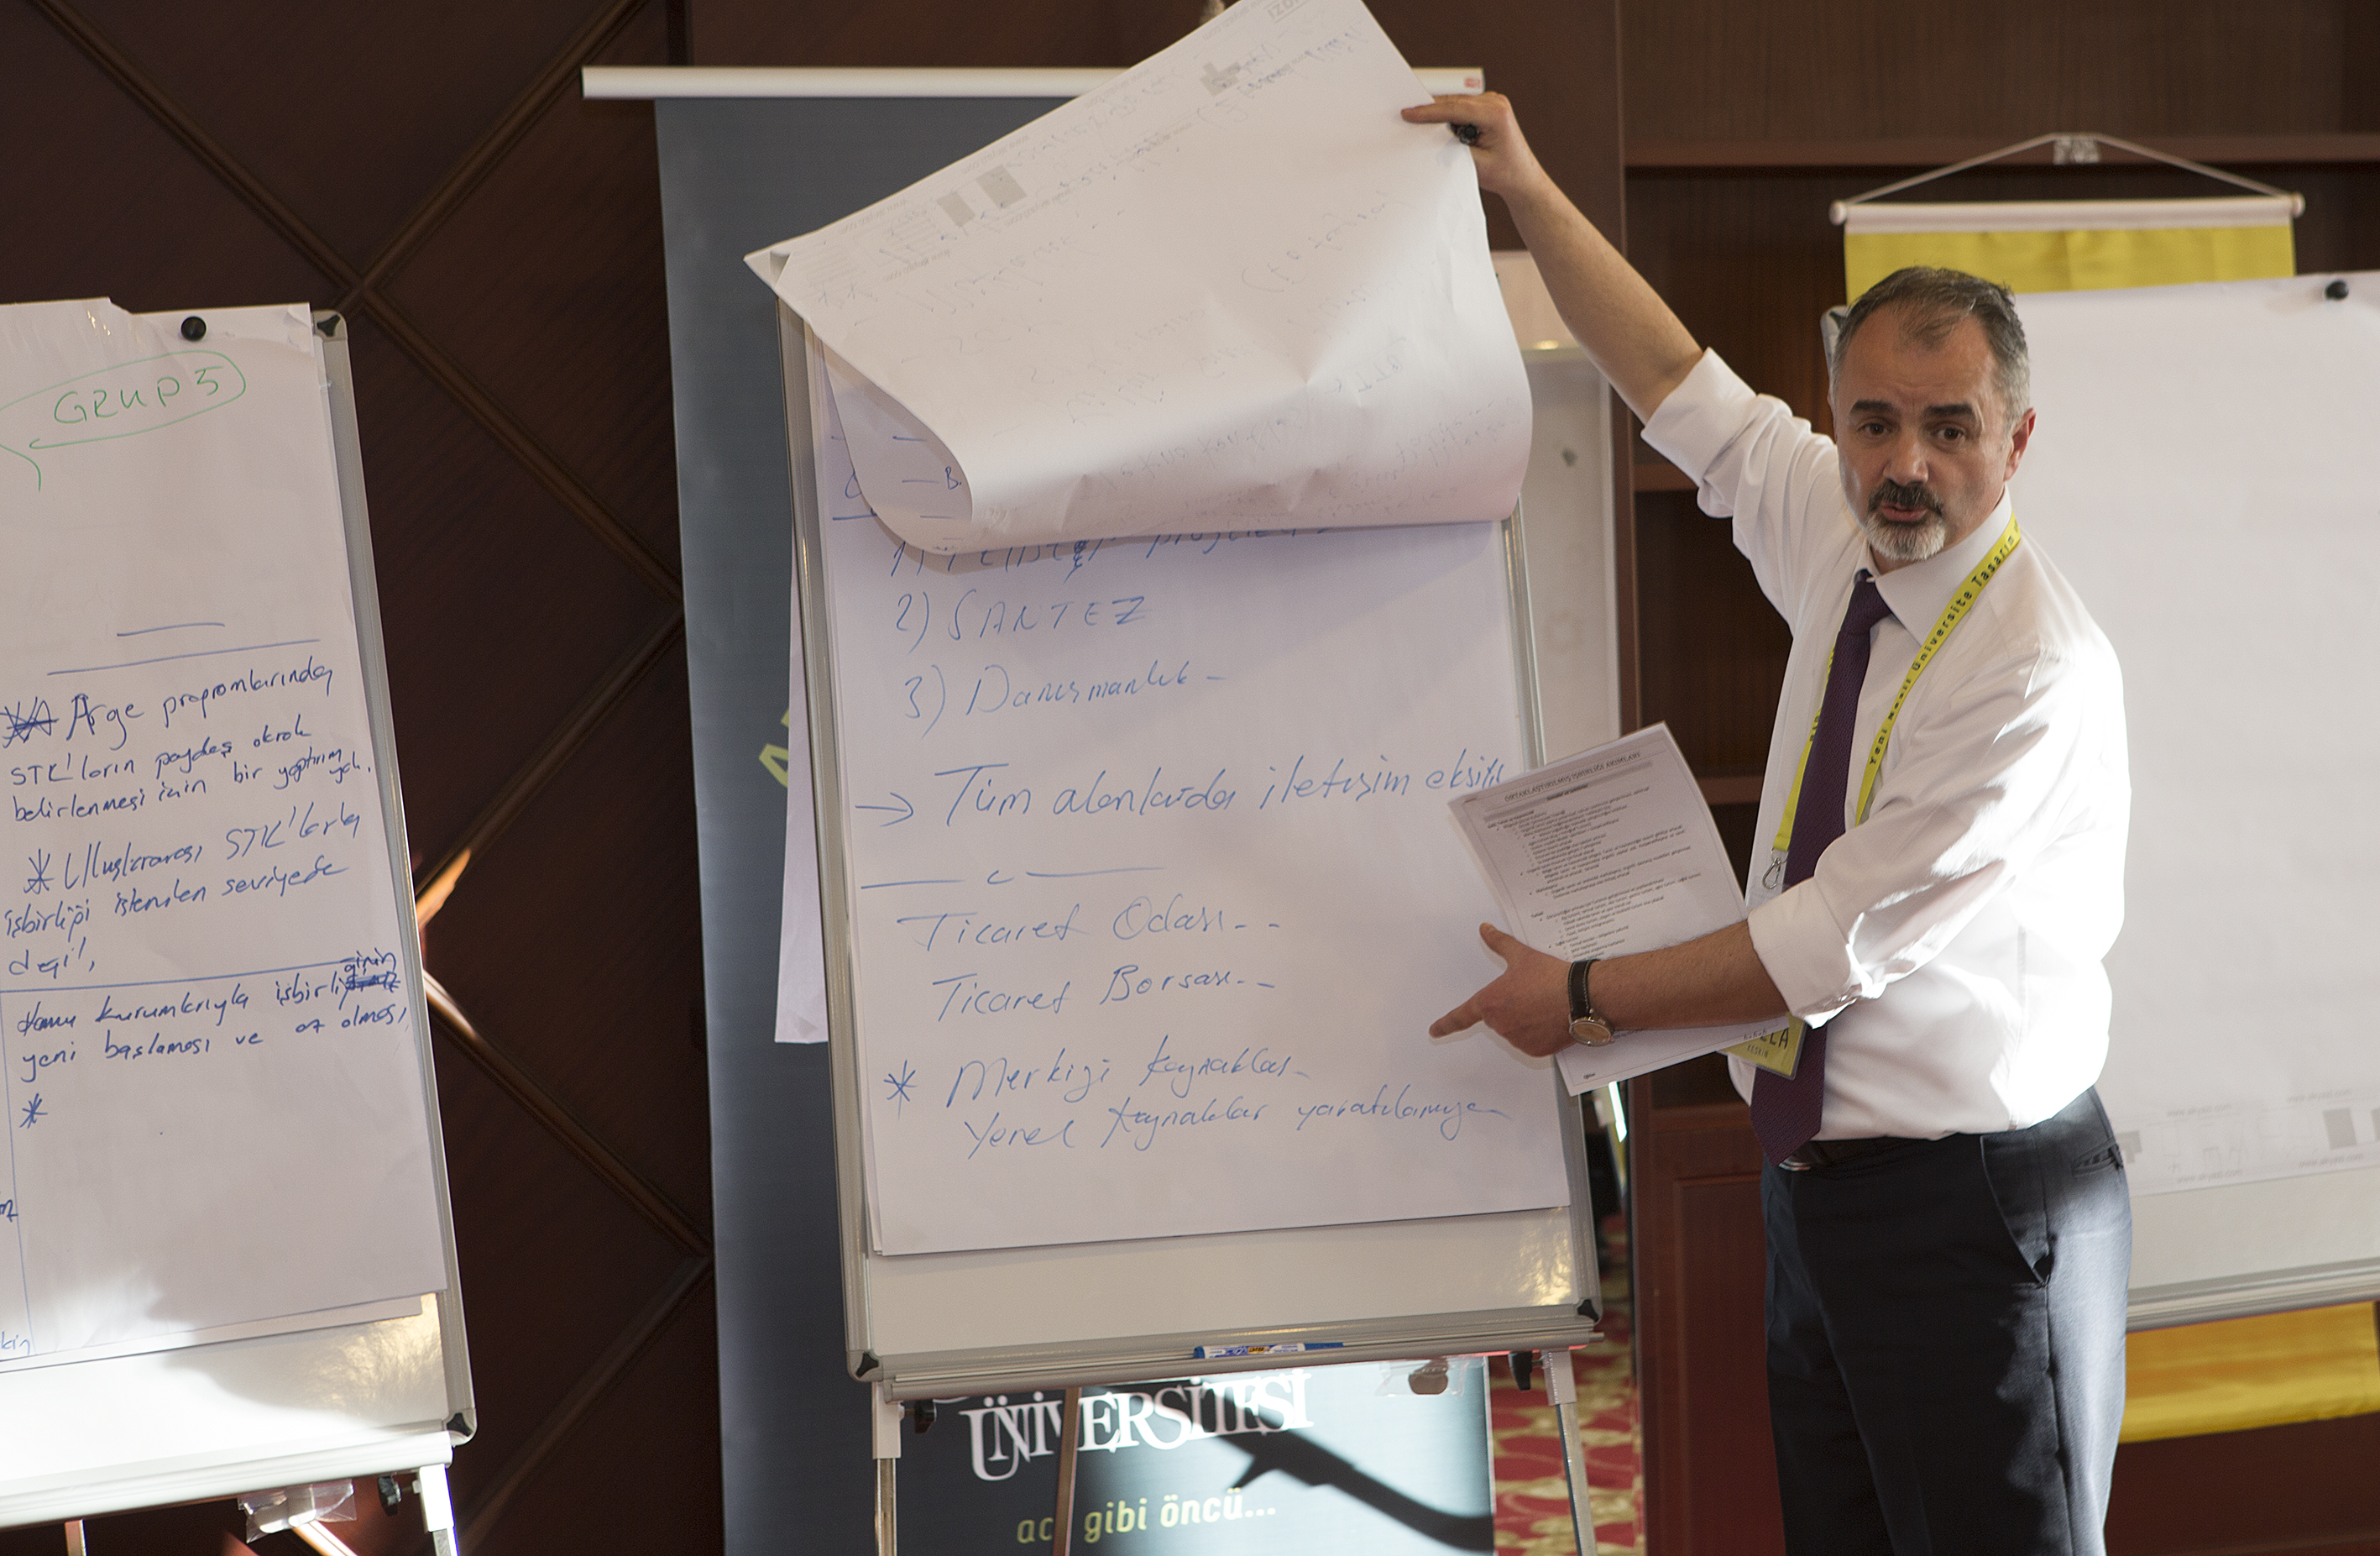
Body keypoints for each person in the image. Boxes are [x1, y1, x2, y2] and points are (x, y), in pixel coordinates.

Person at [1408, 93, 2134, 1556]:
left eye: (1950, 428)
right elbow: (1680, 384)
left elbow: (1825, 945)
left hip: (1971, 1210)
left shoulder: (2028, 669)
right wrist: (1527, 189)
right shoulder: (1844, 535)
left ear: (2017, 438)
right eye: (1875, 422)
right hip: (1818, 1196)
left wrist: (1587, 997)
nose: (1905, 463)